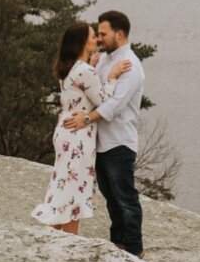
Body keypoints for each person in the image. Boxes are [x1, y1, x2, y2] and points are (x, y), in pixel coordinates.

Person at [32, 22, 132, 234]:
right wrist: (112, 76)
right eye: (92, 36)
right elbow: (103, 100)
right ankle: (68, 239)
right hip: (79, 134)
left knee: (62, 183)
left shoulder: (69, 67)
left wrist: (94, 69)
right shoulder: (85, 71)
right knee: (74, 188)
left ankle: (53, 237)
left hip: (64, 129)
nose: (96, 39)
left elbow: (81, 93)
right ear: (82, 43)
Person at [64, 10, 147, 258]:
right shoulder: (104, 60)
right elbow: (95, 93)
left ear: (119, 34)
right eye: (97, 34)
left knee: (125, 197)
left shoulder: (130, 65)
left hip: (119, 142)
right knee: (110, 196)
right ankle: (118, 241)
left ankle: (134, 248)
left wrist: (87, 118)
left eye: (103, 33)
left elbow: (114, 105)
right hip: (100, 142)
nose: (99, 38)